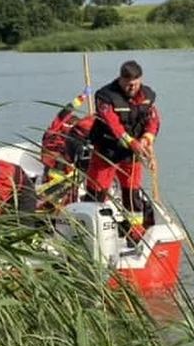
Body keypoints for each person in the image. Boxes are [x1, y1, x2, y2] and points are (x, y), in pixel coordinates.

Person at [84, 60, 159, 240]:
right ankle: (89, 233)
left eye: (134, 84)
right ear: (120, 79)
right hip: (107, 152)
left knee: (132, 193)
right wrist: (131, 142)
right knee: (96, 193)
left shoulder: (147, 95)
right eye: (127, 84)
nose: (130, 88)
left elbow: (153, 120)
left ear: (140, 80)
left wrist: (147, 138)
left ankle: (135, 233)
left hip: (131, 155)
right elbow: (113, 124)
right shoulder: (105, 96)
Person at [38, 90, 97, 207]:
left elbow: (66, 111)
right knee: (65, 193)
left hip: (52, 169)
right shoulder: (72, 135)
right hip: (60, 170)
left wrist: (82, 97)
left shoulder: (54, 129)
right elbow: (68, 112)